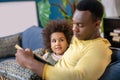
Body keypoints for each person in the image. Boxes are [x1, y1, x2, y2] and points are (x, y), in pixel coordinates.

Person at [15, 0, 112, 80]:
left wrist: (29, 62)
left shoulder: (99, 49)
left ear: (96, 24)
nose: (74, 29)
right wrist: (33, 58)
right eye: (74, 23)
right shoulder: (79, 37)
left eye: (80, 25)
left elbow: (80, 77)